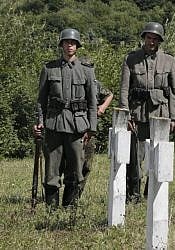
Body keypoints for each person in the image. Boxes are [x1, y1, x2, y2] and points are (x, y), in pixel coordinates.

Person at [34, 28, 97, 209]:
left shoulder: (87, 71)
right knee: (52, 171)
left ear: (77, 46)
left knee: (76, 170)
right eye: (66, 42)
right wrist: (40, 121)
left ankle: (69, 210)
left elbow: (92, 103)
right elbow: (41, 100)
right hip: (54, 125)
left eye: (73, 42)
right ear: (61, 44)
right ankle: (52, 210)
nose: (69, 45)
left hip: (77, 126)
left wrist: (91, 128)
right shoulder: (49, 68)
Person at [119, 21, 175, 203]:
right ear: (144, 38)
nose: (151, 41)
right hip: (137, 114)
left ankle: (151, 192)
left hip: (160, 113)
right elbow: (124, 89)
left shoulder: (169, 60)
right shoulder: (131, 59)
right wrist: (125, 114)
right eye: (149, 38)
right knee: (135, 157)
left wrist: (173, 117)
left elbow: (174, 91)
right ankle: (133, 194)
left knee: (158, 156)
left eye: (155, 39)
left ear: (160, 41)